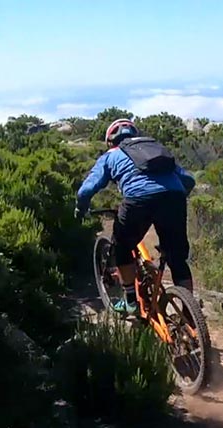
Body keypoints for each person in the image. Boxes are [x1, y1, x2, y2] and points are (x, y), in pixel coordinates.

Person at [75, 118, 196, 315]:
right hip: (174, 198)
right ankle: (190, 314)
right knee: (177, 258)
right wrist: (176, 198)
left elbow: (85, 191)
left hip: (138, 200)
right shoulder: (155, 149)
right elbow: (189, 180)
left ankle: (130, 300)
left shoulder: (110, 156)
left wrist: (81, 209)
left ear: (110, 141)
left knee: (122, 246)